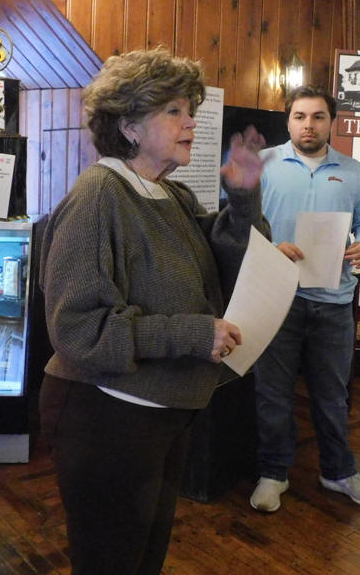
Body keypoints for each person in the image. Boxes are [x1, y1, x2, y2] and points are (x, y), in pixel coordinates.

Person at [38, 48, 269, 575]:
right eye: (173, 111)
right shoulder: (99, 196)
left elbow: (227, 260)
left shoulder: (171, 194)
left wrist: (242, 199)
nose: (191, 123)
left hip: (160, 413)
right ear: (130, 127)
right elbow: (78, 330)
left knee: (142, 560)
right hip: (106, 416)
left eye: (190, 110)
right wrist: (191, 335)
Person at [250, 84, 360, 512]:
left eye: (318, 117)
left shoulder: (353, 172)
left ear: (331, 122)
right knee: (273, 392)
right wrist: (269, 246)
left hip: (333, 300)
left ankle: (338, 471)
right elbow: (235, 221)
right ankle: (273, 473)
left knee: (332, 395)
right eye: (300, 116)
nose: (309, 125)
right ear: (288, 121)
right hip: (276, 296)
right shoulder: (263, 164)